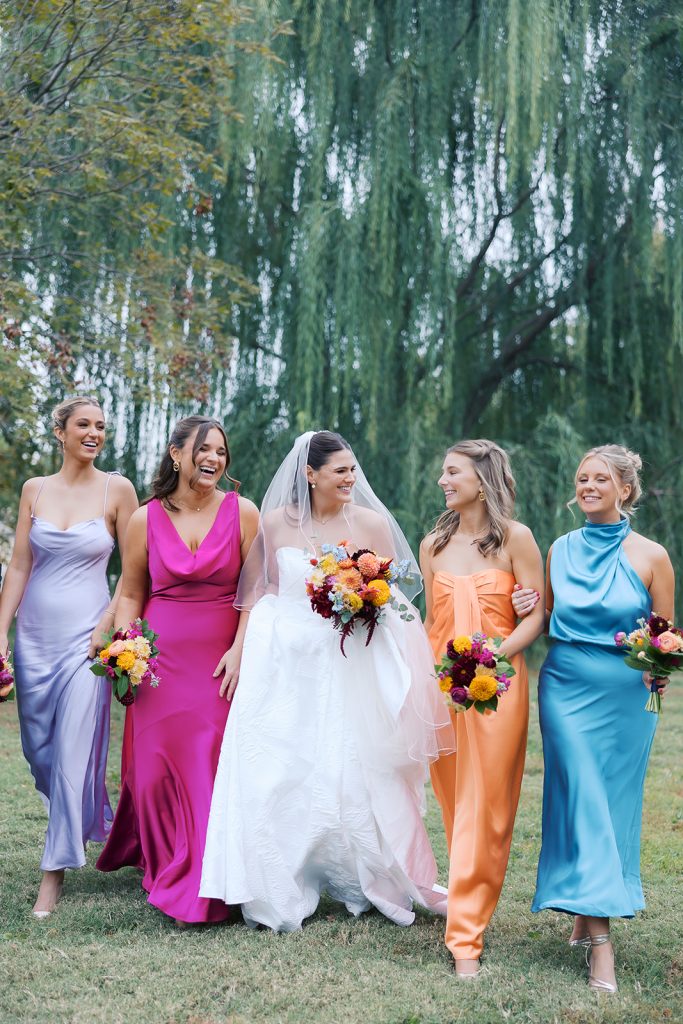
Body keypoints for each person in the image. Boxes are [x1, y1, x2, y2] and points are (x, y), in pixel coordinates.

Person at [200, 430, 454, 931]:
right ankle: (278, 877)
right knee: (280, 766)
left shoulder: (370, 523)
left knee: (349, 765)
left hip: (346, 657)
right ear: (310, 474)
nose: (351, 478)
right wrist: (242, 648)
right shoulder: (276, 522)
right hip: (286, 660)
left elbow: (391, 592)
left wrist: (366, 602)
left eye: (352, 469)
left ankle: (362, 872)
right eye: (340, 471)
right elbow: (263, 591)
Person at [512, 444, 674, 993]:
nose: (588, 486)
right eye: (582, 478)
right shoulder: (559, 548)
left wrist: (659, 672)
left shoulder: (652, 556)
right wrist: (524, 606)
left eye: (601, 479)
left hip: (628, 698)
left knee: (610, 807)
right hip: (566, 687)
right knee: (581, 798)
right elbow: (545, 615)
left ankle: (585, 914)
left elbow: (665, 636)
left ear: (624, 489)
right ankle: (601, 945)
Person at [96, 416, 258, 925]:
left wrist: (241, 648)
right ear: (176, 454)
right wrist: (129, 649)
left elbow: (257, 593)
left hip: (219, 660)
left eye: (221, 452)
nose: (214, 459)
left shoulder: (243, 512)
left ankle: (206, 878)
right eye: (204, 449)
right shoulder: (144, 518)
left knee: (205, 761)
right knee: (154, 770)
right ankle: (167, 861)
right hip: (158, 660)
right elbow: (130, 592)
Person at [0, 396, 138, 917]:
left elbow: (135, 568)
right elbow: (19, 565)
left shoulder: (116, 489)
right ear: (60, 431)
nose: (94, 433)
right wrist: (0, 631)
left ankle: (53, 873)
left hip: (88, 641)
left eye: (101, 425)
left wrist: (109, 623)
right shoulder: (33, 489)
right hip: (34, 638)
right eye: (83, 424)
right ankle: (84, 814)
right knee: (39, 751)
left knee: (73, 752)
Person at [419, 439, 544, 977]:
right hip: (443, 687)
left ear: (482, 480)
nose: (443, 481)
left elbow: (537, 616)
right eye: (443, 473)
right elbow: (433, 621)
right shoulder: (432, 544)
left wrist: (493, 656)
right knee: (454, 804)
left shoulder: (517, 538)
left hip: (498, 687)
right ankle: (466, 902)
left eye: (453, 472)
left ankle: (465, 938)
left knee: (486, 808)